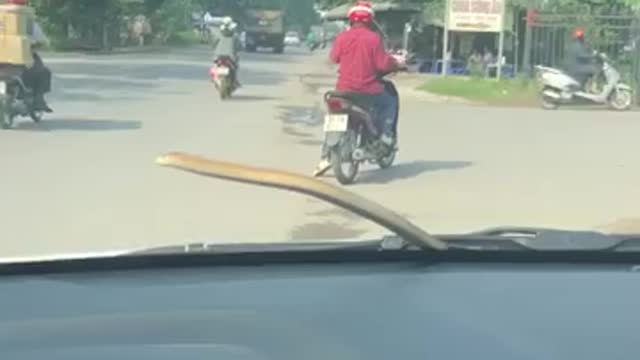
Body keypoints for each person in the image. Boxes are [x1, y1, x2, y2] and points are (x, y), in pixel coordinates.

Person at [313, 1, 405, 177]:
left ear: (351, 20)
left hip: (342, 90)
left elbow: (333, 59)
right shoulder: (374, 39)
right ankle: (385, 136)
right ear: (370, 20)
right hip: (367, 91)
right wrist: (395, 64)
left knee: (334, 115)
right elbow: (381, 63)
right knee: (389, 100)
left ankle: (326, 153)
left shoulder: (342, 38)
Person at [22, 21, 52, 113]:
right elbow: (43, 41)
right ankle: (38, 100)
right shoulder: (29, 23)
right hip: (24, 60)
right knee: (44, 72)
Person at [212, 17, 242, 89]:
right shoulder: (235, 35)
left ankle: (215, 79)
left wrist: (214, 48)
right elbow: (239, 46)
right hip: (231, 56)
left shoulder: (218, 34)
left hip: (218, 55)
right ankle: (235, 81)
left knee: (215, 66)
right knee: (235, 67)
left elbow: (213, 43)